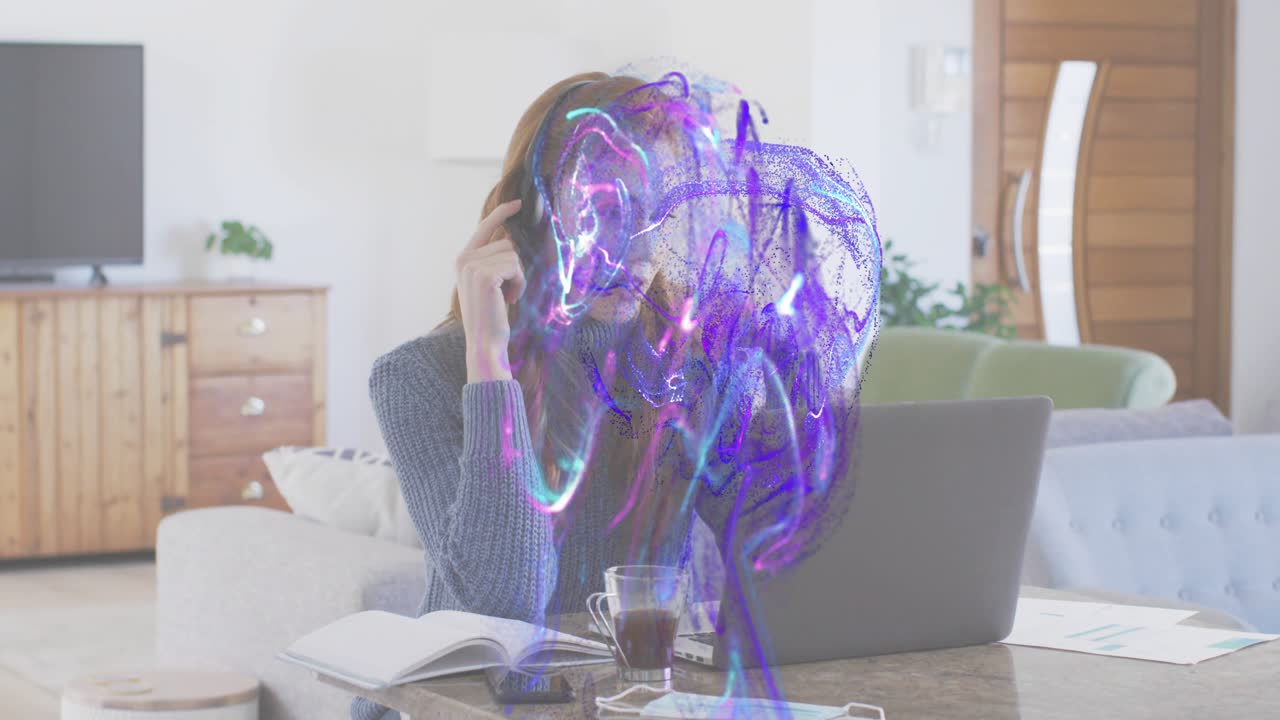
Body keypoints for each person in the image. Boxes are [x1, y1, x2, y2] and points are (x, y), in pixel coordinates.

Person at [354, 71, 855, 720]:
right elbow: (499, 609)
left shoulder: (692, 365)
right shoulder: (420, 376)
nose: (643, 247)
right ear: (531, 218)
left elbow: (786, 556)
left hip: (629, 702)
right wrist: (491, 361)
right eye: (614, 212)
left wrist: (801, 369)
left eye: (663, 212)